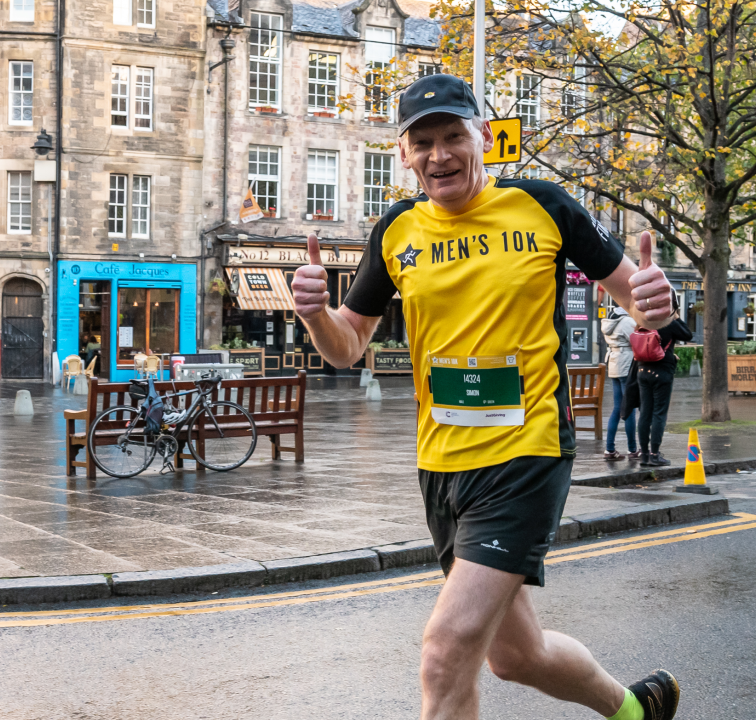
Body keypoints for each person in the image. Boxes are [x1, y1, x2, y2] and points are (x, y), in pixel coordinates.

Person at [291, 74, 679, 720]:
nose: (440, 155)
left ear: (483, 139)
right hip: (443, 468)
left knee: (445, 651)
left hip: (526, 455)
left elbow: (635, 298)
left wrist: (655, 307)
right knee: (514, 656)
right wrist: (314, 317)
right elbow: (348, 345)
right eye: (424, 143)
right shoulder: (395, 234)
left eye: (452, 137)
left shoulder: (544, 207)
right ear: (404, 155)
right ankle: (634, 710)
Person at [629, 298, 692, 467]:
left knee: (645, 413)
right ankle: (655, 454)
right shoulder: (667, 322)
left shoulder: (643, 320)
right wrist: (676, 317)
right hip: (662, 372)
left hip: (642, 371)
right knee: (659, 413)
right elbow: (688, 334)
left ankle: (644, 455)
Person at [601, 306, 639, 460]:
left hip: (613, 363)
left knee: (617, 408)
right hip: (626, 364)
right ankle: (632, 449)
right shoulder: (627, 321)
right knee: (629, 408)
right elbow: (637, 341)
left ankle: (609, 449)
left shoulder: (609, 321)